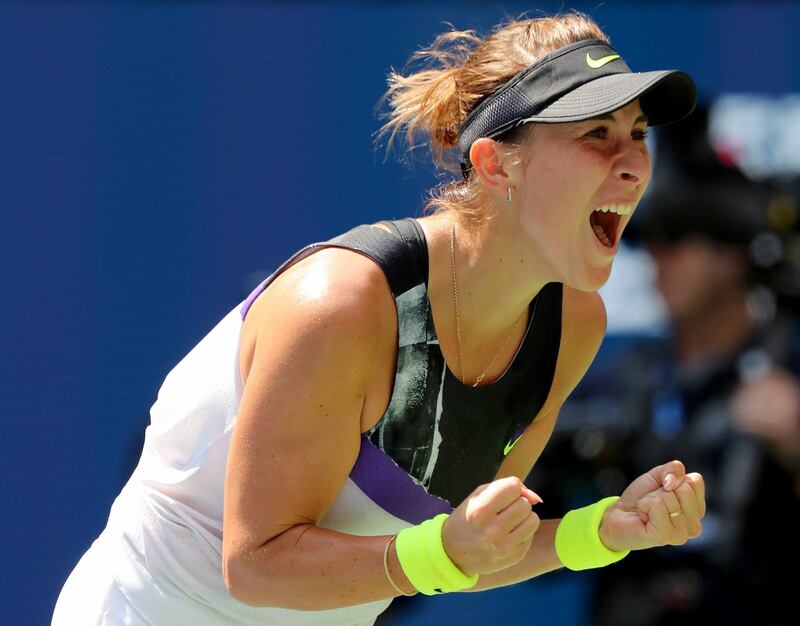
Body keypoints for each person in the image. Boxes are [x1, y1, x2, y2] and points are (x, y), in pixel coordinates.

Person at [52, 12, 706, 626]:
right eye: (597, 133)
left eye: (638, 133)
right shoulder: (340, 304)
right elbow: (254, 565)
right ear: (496, 164)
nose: (633, 164)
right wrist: (441, 552)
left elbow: (478, 547)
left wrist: (606, 531)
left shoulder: (572, 328)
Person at [535, 114, 800, 626]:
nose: (657, 259)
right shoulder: (619, 383)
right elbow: (524, 539)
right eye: (649, 240)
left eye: (675, 239)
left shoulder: (787, 371)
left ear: (731, 253)